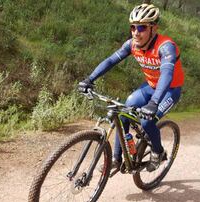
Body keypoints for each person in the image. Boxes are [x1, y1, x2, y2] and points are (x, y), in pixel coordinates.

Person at [78, 4, 184, 171]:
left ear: (154, 28)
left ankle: (158, 152)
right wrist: (90, 79)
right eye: (133, 27)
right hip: (150, 86)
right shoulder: (132, 44)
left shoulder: (166, 47)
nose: (136, 32)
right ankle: (116, 158)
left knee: (147, 121)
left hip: (170, 90)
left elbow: (167, 75)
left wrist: (154, 102)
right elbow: (111, 60)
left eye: (141, 27)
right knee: (123, 114)